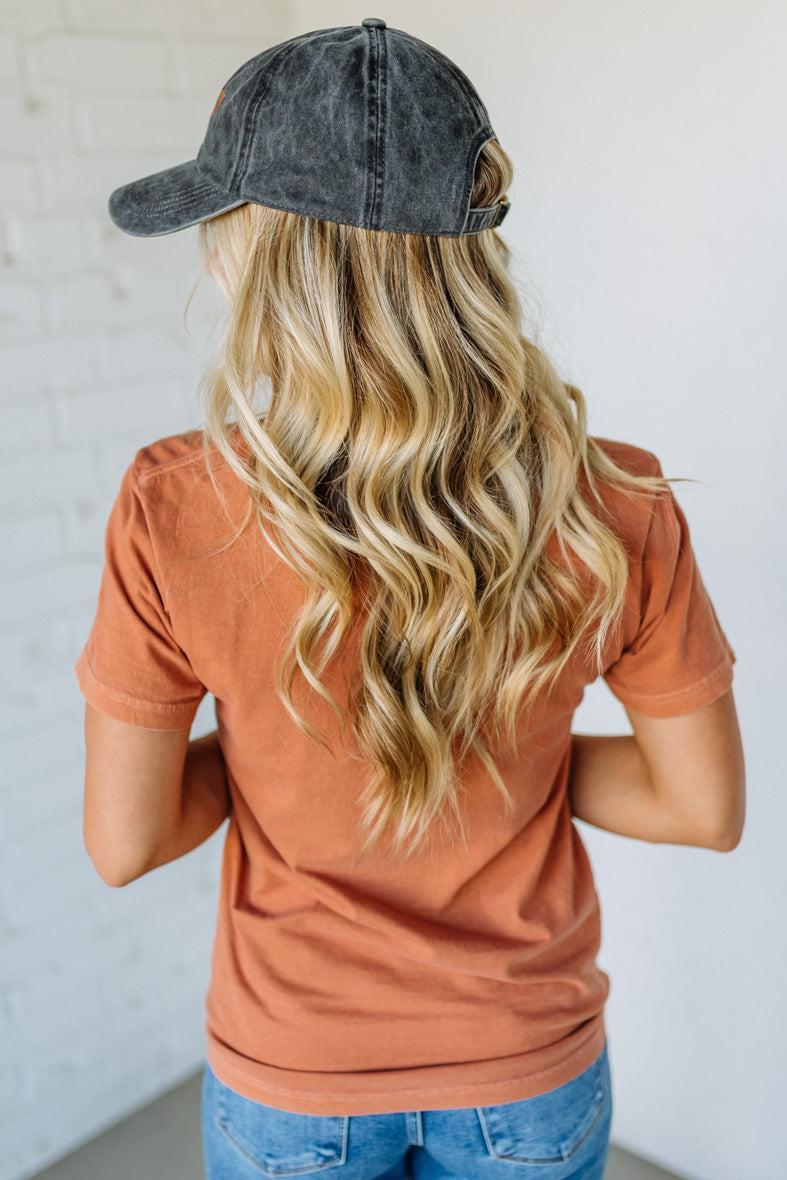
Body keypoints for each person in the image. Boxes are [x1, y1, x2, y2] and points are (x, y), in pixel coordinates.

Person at [74, 18, 745, 1180]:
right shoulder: (617, 502)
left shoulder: (172, 507)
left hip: (292, 1078)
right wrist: (504, 758)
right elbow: (702, 808)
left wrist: (292, 756)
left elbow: (125, 841)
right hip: (527, 1071)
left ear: (257, 251)